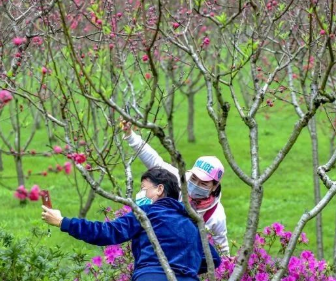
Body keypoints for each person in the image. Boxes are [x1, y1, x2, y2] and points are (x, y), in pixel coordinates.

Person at [41, 167, 221, 281]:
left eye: (144, 189)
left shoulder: (147, 214)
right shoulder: (190, 222)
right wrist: (184, 268)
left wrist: (63, 222)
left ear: (159, 189)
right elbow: (213, 259)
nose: (141, 194)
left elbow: (107, 232)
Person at [121, 120, 230, 255]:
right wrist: (131, 135)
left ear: (214, 187)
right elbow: (154, 161)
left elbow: (222, 248)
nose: (195, 185)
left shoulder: (216, 215)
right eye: (194, 178)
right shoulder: (177, 179)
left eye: (203, 183)